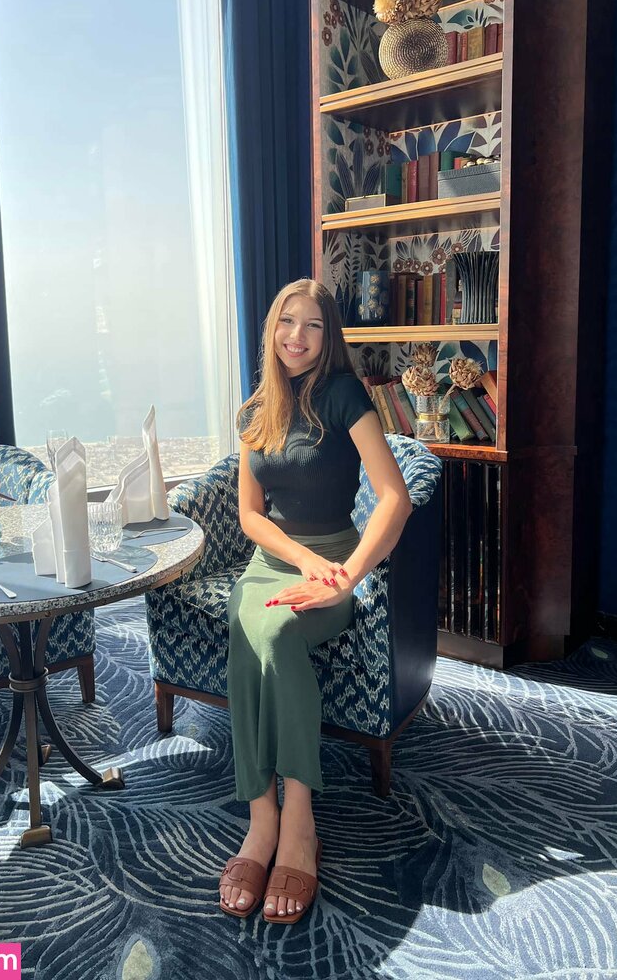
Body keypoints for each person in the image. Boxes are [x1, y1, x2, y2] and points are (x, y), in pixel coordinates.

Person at [218, 278, 413, 924]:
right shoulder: (254, 411)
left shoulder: (344, 395)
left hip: (334, 561)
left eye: (313, 325)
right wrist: (296, 559)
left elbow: (394, 497)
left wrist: (344, 576)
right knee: (246, 631)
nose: (296, 337)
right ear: (271, 329)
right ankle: (261, 818)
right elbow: (251, 515)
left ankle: (298, 821)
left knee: (275, 636)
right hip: (273, 562)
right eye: (286, 321)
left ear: (330, 336)